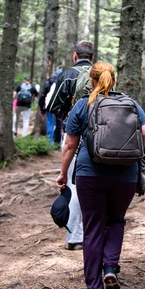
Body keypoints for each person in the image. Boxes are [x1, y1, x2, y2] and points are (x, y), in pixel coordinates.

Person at [56, 61, 145, 289]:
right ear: (114, 80)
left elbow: (69, 145)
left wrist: (63, 174)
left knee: (93, 228)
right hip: (126, 176)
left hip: (90, 174)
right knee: (116, 221)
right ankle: (110, 266)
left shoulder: (82, 105)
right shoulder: (131, 103)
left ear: (92, 81)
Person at [47, 40, 94, 251]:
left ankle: (75, 236)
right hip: (101, 138)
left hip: (74, 135)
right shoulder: (101, 74)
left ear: (75, 55)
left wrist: (70, 115)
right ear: (91, 57)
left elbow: (52, 105)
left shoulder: (66, 75)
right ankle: (91, 233)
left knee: (76, 184)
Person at [38, 68, 63, 146]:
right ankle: (57, 142)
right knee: (59, 123)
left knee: (50, 123)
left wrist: (42, 108)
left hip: (50, 106)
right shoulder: (63, 80)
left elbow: (43, 95)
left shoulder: (49, 81)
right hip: (60, 107)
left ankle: (49, 143)